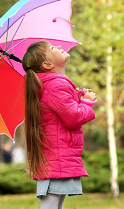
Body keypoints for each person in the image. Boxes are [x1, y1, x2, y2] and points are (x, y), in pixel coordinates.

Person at [22, 40, 96, 209]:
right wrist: (85, 103)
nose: (59, 47)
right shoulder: (56, 85)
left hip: (56, 157)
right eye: (53, 48)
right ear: (47, 64)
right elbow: (73, 117)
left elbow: (61, 108)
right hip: (57, 158)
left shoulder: (53, 85)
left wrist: (78, 97)